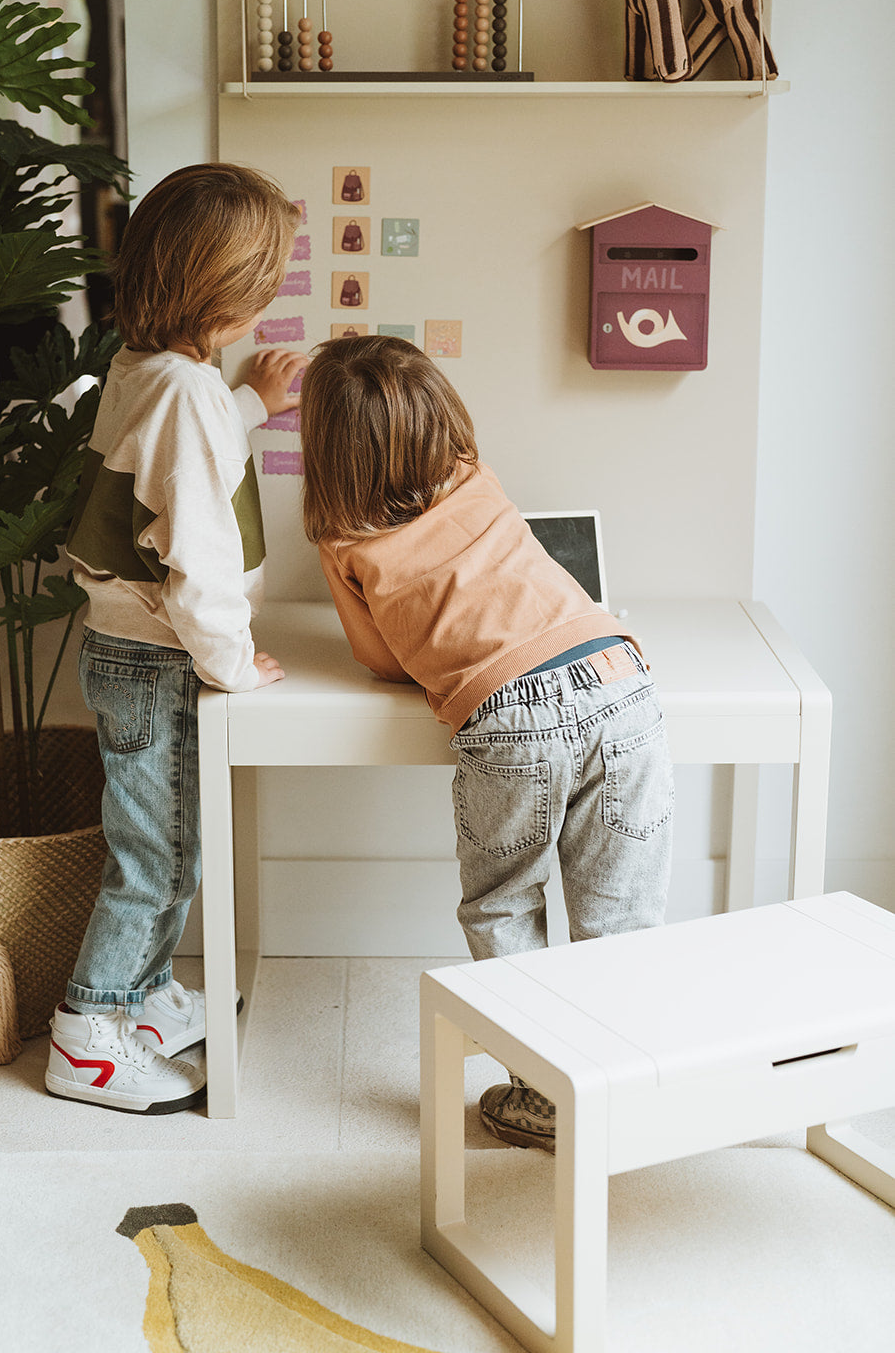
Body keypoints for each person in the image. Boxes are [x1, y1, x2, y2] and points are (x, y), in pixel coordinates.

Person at [299, 335, 674, 1149]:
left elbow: (377, 660)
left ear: (325, 450)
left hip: (512, 713)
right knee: (621, 913)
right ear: (442, 418)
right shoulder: (477, 479)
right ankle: (626, 1089)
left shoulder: (342, 537)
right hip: (622, 678)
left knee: (505, 901)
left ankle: (544, 1098)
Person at [46, 163, 307, 1114]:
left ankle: (145, 1000)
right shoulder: (188, 396)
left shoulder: (150, 373)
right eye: (265, 277)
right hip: (163, 659)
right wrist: (230, 664)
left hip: (134, 651)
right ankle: (89, 1034)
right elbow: (195, 556)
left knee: (167, 848)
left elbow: (168, 465)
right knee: (154, 860)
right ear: (229, 292)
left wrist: (250, 404)